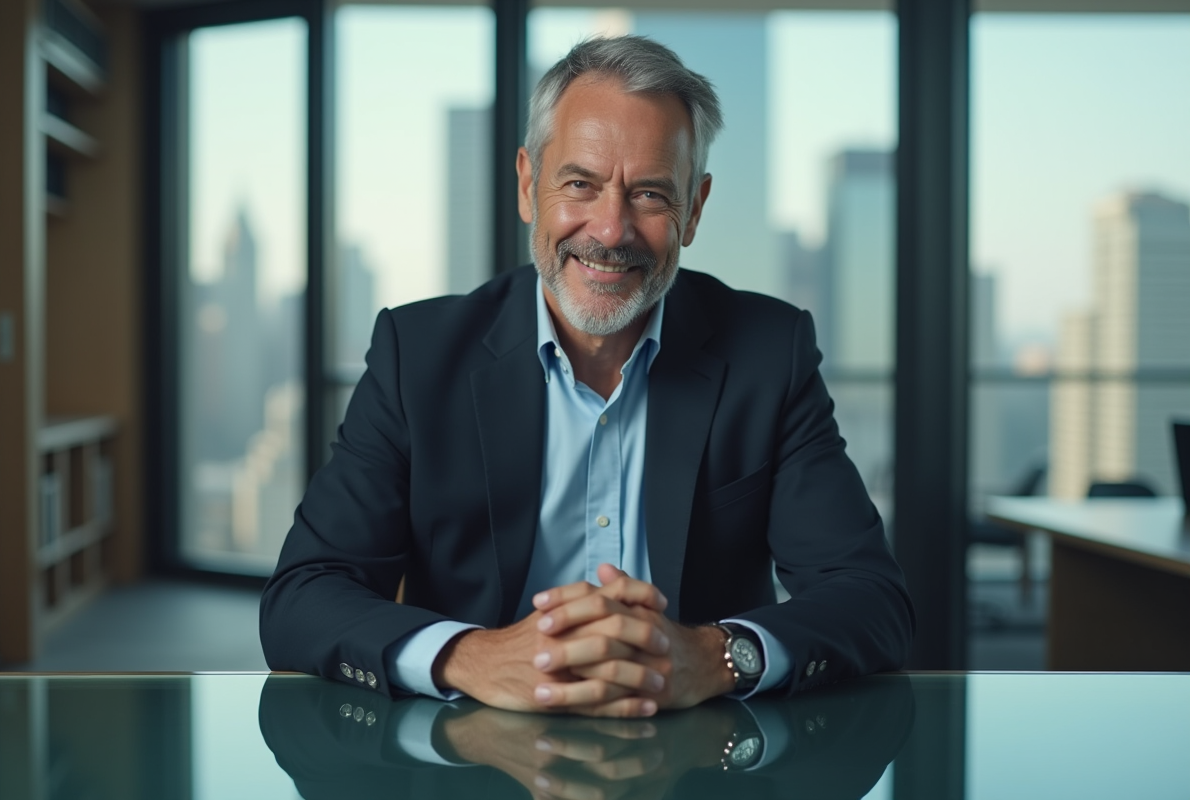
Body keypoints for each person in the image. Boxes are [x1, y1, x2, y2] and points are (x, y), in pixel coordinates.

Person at [260, 35, 913, 718]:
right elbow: (303, 595)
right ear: (526, 185)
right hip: (467, 755)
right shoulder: (417, 356)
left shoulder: (767, 353)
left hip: (702, 757)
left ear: (693, 209)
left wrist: (717, 656)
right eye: (580, 184)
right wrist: (472, 657)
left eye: (651, 194)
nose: (611, 229)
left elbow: (872, 600)